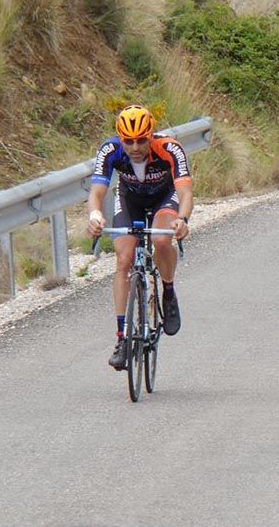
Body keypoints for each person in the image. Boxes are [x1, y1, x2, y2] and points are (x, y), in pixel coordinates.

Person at [86, 105, 193, 370]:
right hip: (129, 198)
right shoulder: (110, 150)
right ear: (120, 138)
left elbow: (186, 193)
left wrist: (183, 219)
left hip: (164, 197)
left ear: (151, 134)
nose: (135, 147)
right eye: (129, 141)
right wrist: (95, 215)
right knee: (123, 260)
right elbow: (97, 192)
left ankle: (167, 290)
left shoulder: (170, 148)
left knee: (160, 239)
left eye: (141, 140)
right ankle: (122, 339)